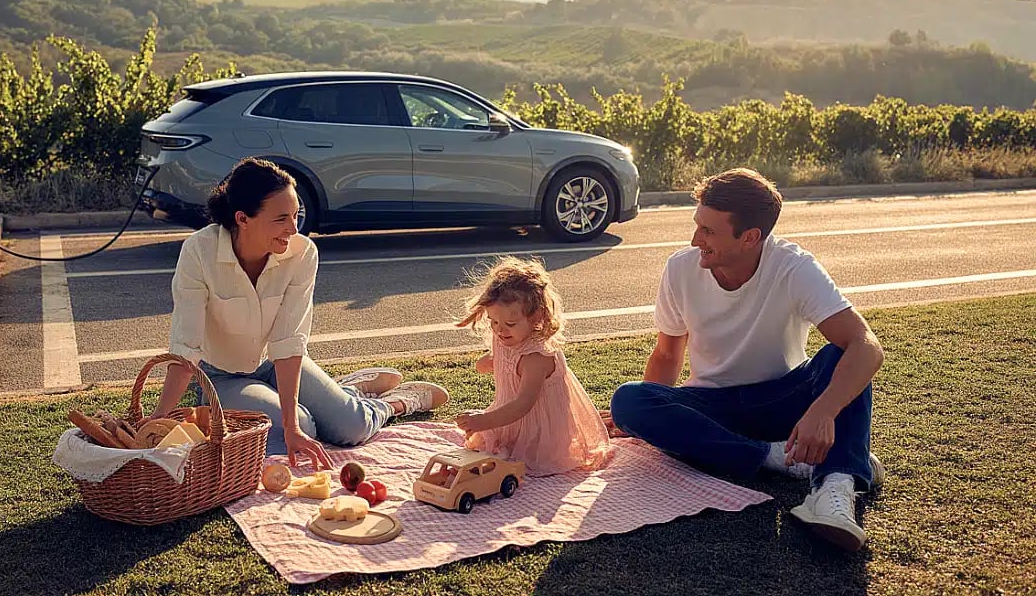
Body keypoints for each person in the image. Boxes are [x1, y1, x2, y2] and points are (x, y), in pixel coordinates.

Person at [607, 168, 886, 552]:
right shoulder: (680, 269)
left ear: (751, 237)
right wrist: (644, 416)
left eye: (708, 232)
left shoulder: (794, 267)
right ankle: (776, 457)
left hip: (784, 402)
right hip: (713, 406)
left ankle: (834, 487)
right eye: (697, 226)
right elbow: (667, 353)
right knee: (629, 399)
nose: (695, 239)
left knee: (842, 353)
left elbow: (866, 344)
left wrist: (822, 412)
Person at [151, 157, 449, 470]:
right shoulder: (199, 252)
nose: (293, 228)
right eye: (281, 219)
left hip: (275, 362)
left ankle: (390, 403)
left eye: (296, 215)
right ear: (243, 218)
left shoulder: (302, 253)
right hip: (221, 377)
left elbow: (289, 341)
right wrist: (159, 419)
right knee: (302, 428)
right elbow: (186, 347)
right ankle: (344, 392)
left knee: (351, 428)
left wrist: (291, 427)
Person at [454, 256, 612, 476]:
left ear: (536, 317)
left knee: (518, 463)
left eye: (509, 324)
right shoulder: (507, 338)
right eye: (493, 322)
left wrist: (484, 421)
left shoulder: (536, 357)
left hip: (540, 429)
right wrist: (488, 362)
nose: (500, 330)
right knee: (489, 453)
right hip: (510, 418)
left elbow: (523, 403)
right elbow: (498, 362)